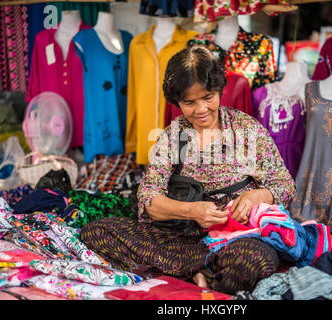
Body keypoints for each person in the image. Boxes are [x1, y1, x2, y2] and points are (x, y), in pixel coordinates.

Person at [80, 45, 296, 294]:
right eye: (189, 102)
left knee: (251, 259)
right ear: (177, 100)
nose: (201, 109)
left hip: (235, 238)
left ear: (219, 90)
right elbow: (149, 198)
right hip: (183, 237)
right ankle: (202, 270)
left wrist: (256, 195)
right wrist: (191, 210)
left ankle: (193, 269)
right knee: (97, 232)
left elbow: (285, 185)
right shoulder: (175, 135)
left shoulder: (246, 130)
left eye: (207, 97)